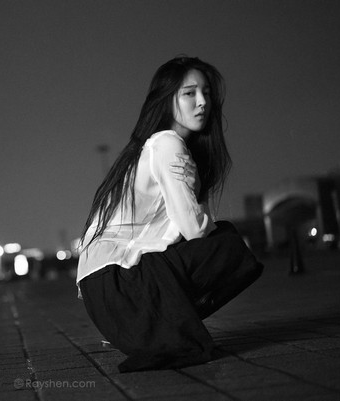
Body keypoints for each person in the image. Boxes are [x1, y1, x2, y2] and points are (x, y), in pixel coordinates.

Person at [76, 56, 264, 373]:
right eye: (189, 93)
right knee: (228, 245)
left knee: (219, 239)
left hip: (106, 295)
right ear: (167, 100)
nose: (202, 102)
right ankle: (164, 327)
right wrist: (196, 187)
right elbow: (194, 230)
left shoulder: (152, 147)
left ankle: (158, 326)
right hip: (120, 285)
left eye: (206, 93)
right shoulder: (167, 144)